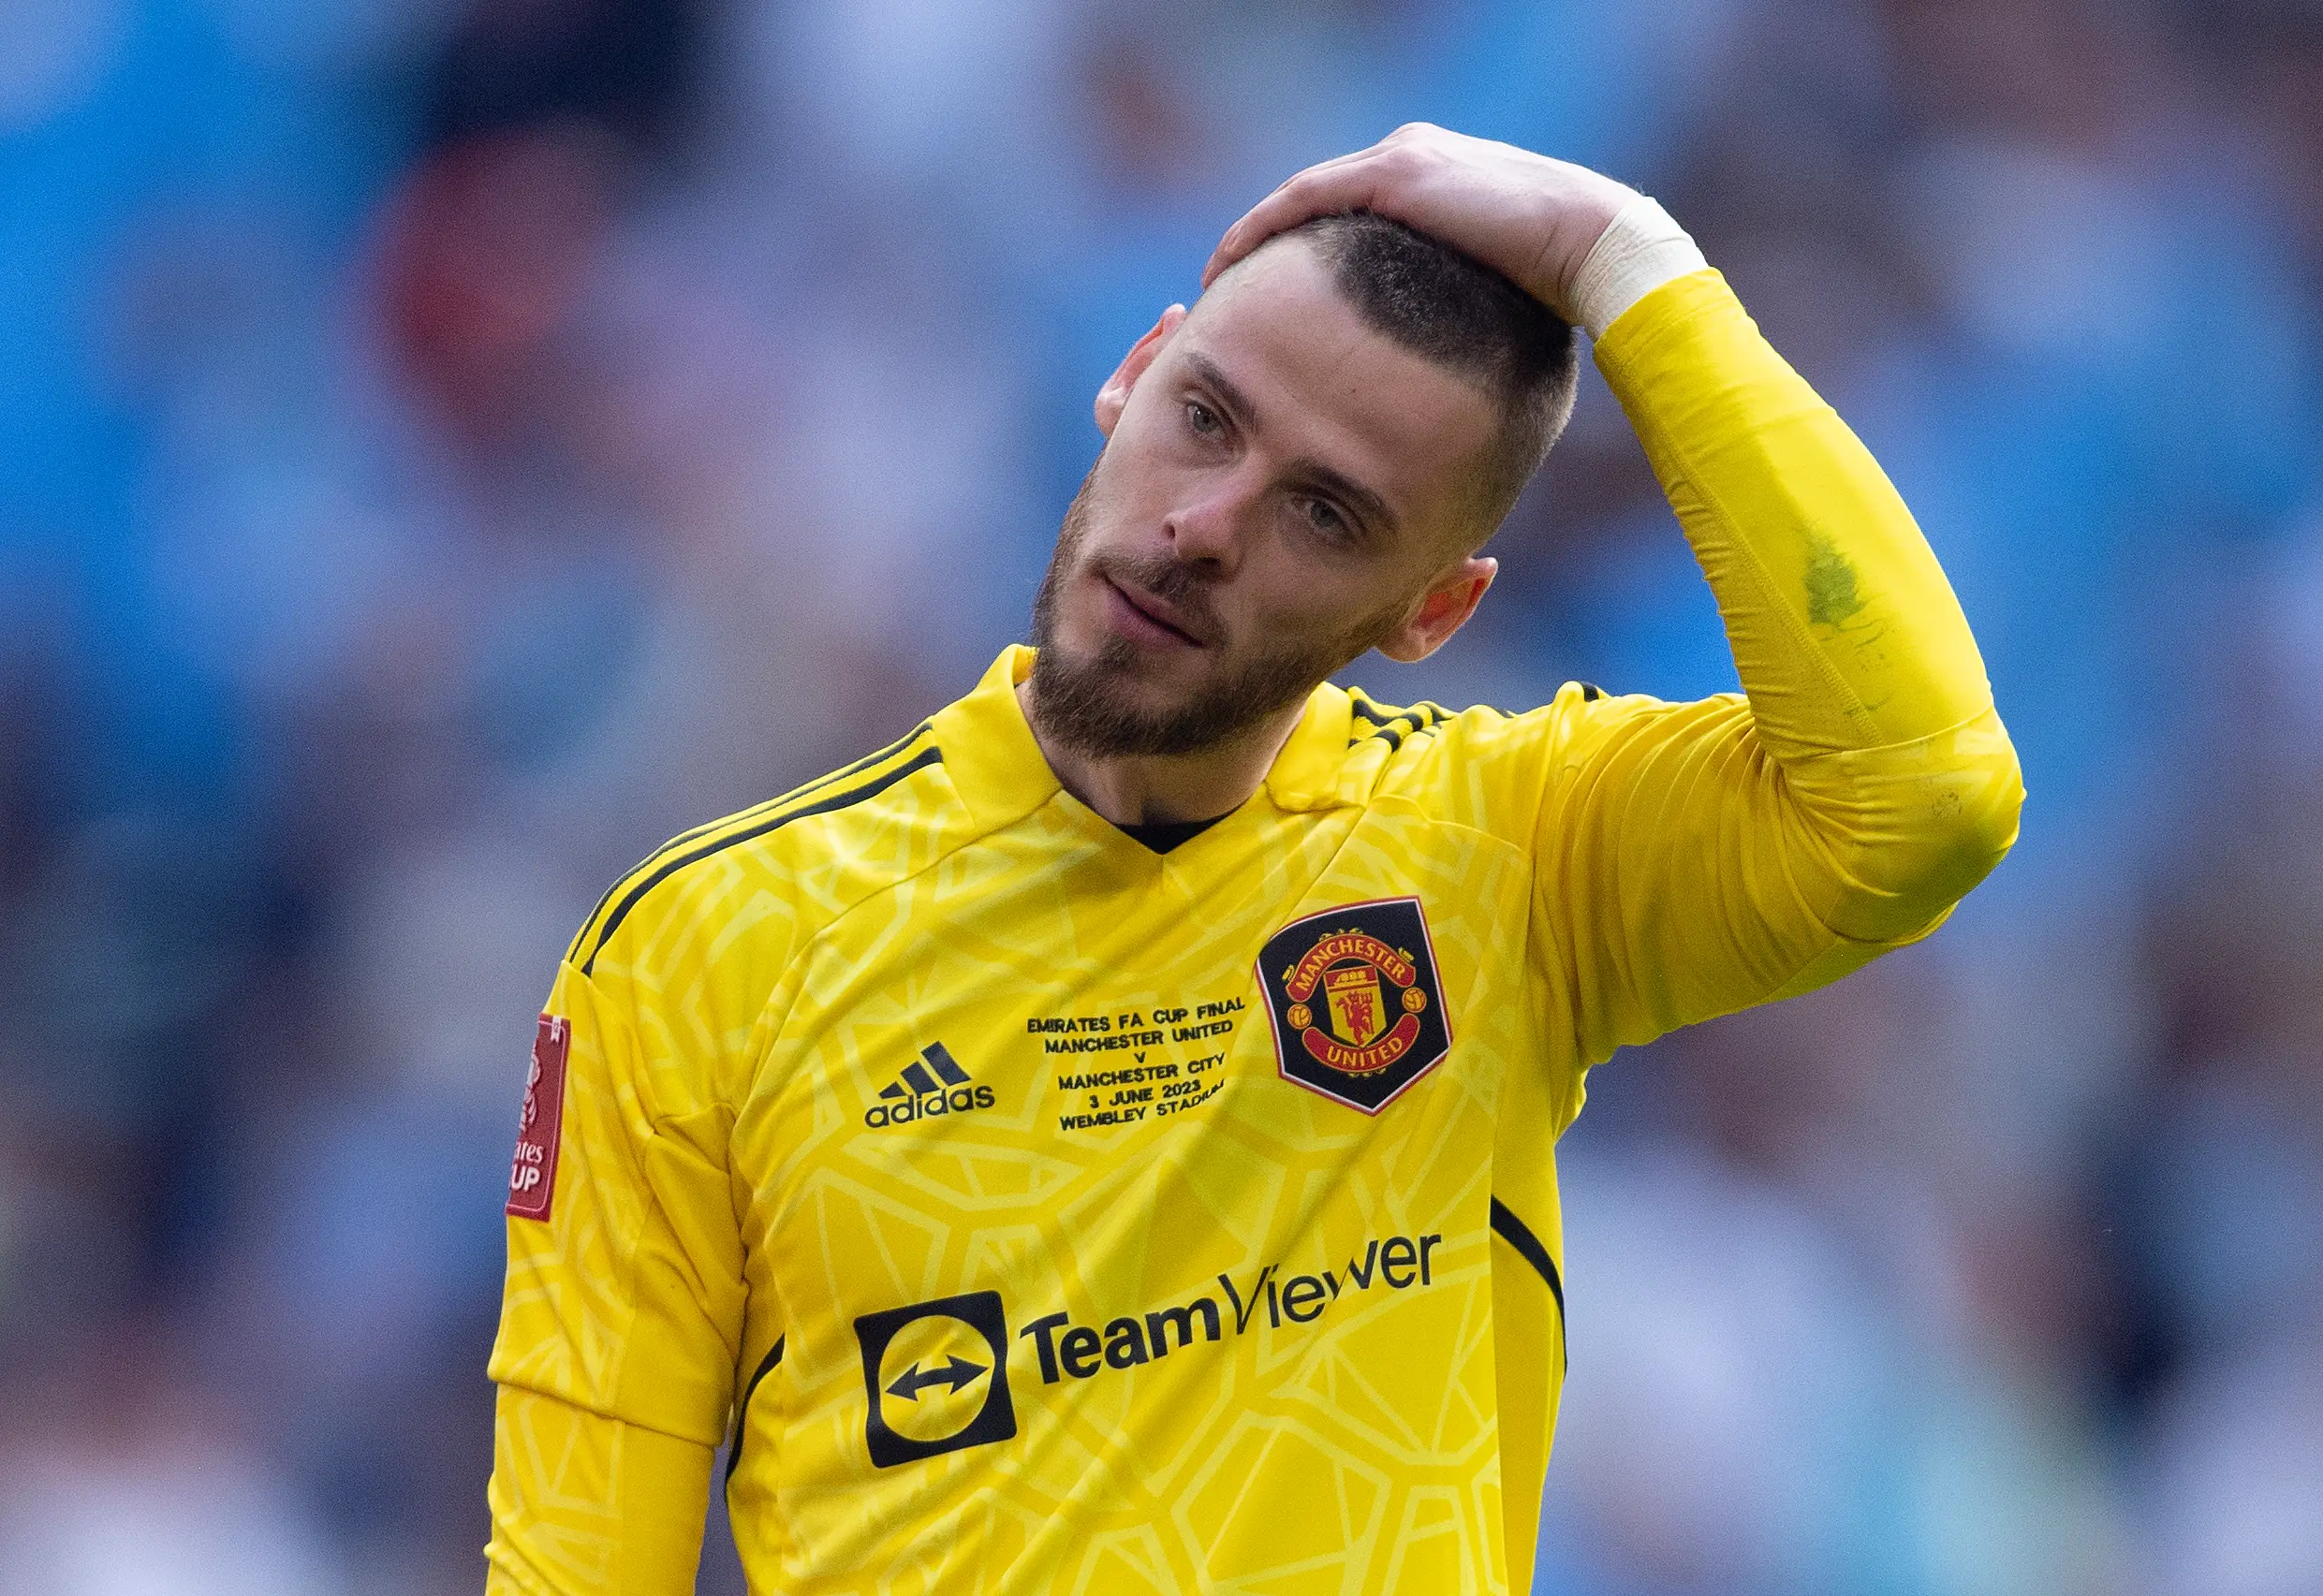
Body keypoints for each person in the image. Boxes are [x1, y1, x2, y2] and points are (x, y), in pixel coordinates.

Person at [482, 124, 2022, 1594]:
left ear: (1433, 614)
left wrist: (1627, 263)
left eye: (1327, 514)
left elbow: (1924, 795)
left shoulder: (1513, 858)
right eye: (1205, 419)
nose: (1207, 526)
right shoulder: (705, 950)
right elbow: (573, 1567)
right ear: (1134, 371)